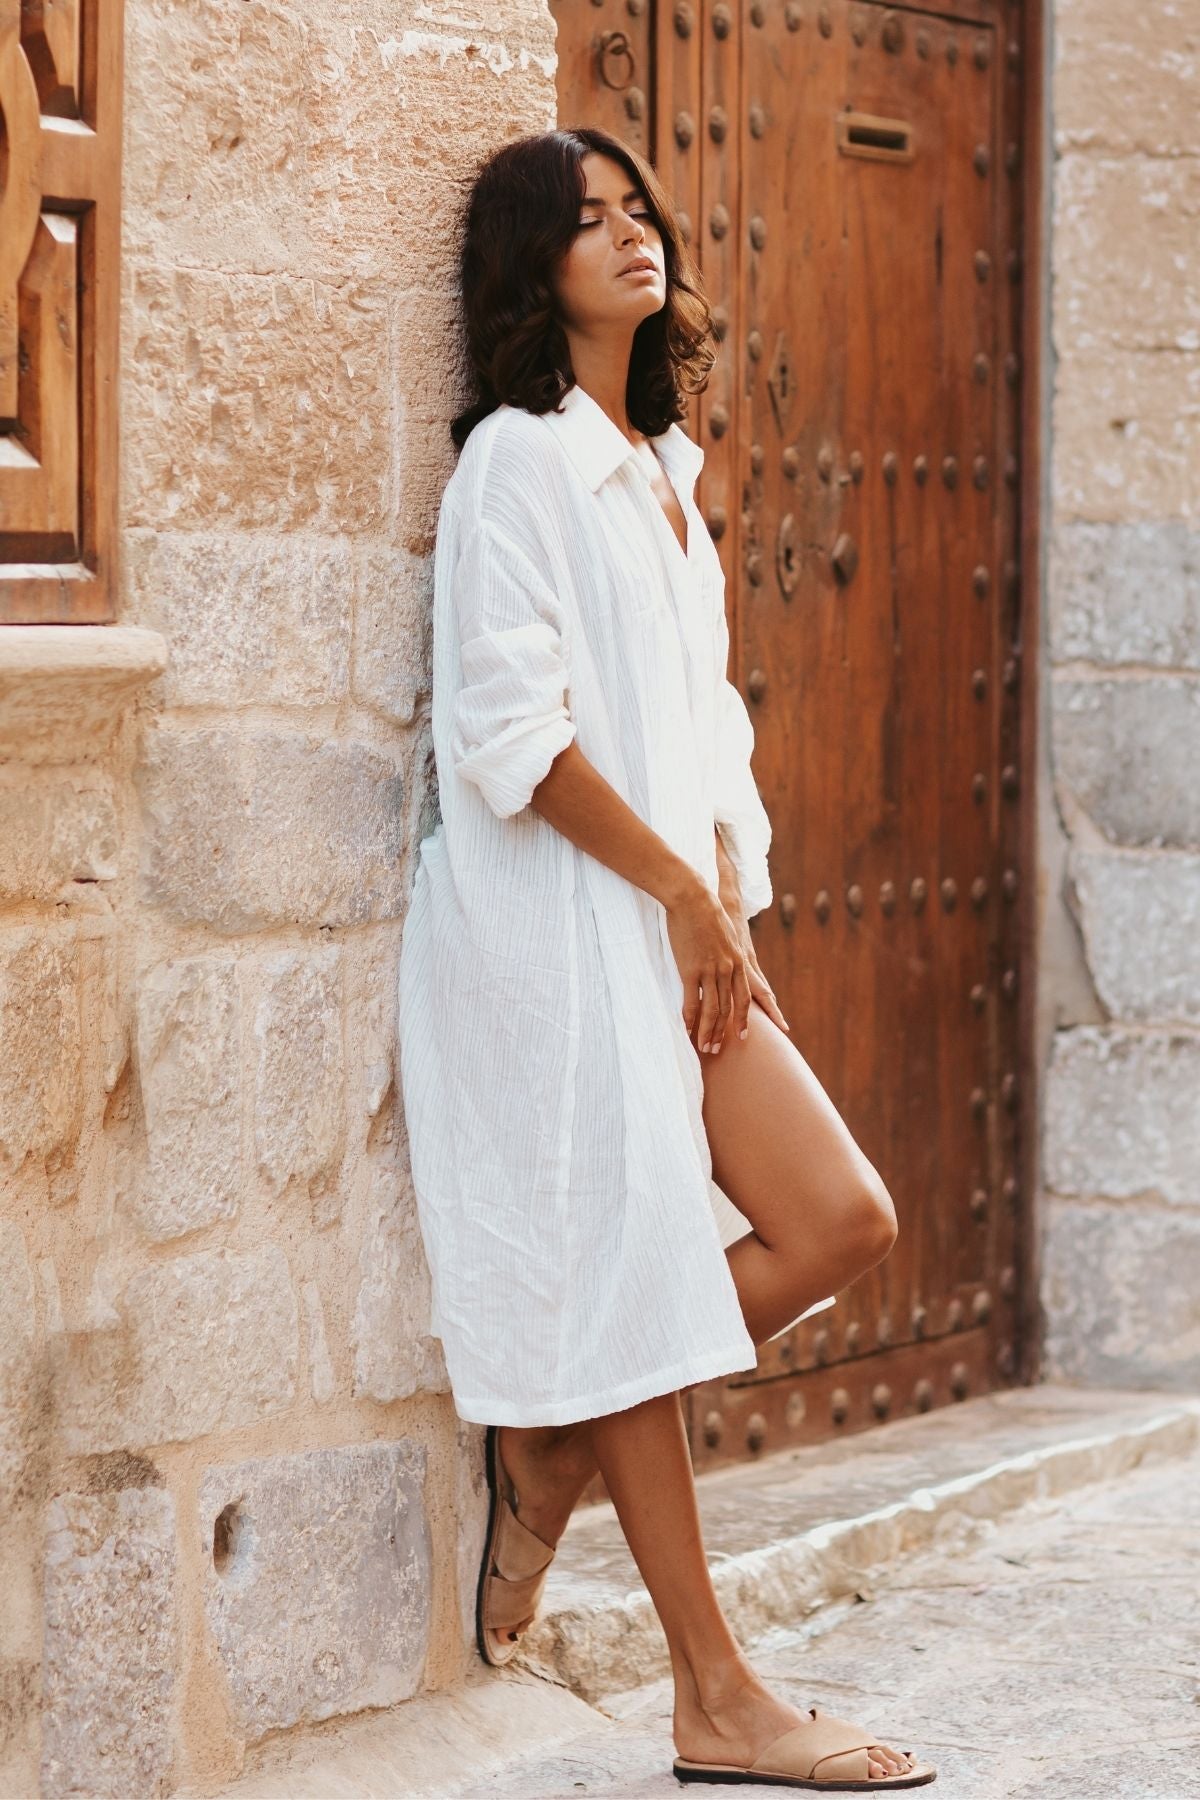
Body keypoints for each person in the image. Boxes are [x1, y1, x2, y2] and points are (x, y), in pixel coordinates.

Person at [397, 125, 936, 1791]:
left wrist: (727, 905)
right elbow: (515, 739)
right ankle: (717, 1696)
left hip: (682, 937)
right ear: (528, 268)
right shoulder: (518, 465)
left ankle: (548, 1445)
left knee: (843, 1216)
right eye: (585, 222)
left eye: (639, 211)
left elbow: (699, 729)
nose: (629, 237)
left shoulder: (661, 471)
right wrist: (681, 903)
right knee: (637, 1276)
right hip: (561, 940)